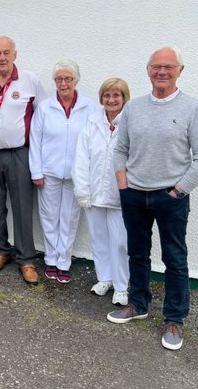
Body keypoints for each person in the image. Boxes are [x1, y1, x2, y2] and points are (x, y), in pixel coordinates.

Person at [107, 47, 198, 351]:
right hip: (134, 193)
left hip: (170, 196)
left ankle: (173, 319)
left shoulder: (191, 108)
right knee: (137, 253)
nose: (162, 72)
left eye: (168, 67)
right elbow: (120, 149)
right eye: (156, 66)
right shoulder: (134, 108)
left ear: (180, 71)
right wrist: (124, 185)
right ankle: (138, 304)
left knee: (174, 259)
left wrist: (180, 190)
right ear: (148, 70)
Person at [0, 36, 46, 284]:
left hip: (20, 153)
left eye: (7, 52)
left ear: (15, 54)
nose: (2, 57)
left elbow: (42, 116)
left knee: (22, 207)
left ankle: (26, 259)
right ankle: (0, 251)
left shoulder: (30, 80)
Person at [29, 60, 97, 284]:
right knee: (49, 218)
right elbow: (35, 140)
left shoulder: (89, 108)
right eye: (59, 79)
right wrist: (36, 172)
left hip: (76, 175)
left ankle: (64, 262)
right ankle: (50, 259)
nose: (63, 83)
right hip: (49, 172)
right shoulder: (45, 107)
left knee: (69, 219)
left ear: (76, 80)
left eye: (68, 78)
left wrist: (88, 174)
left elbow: (94, 143)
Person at [72, 78, 131, 305]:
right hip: (94, 194)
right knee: (99, 239)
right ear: (101, 99)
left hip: (120, 196)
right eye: (107, 95)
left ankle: (121, 286)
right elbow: (81, 159)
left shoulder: (130, 123)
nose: (111, 99)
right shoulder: (92, 123)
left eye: (116, 95)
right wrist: (83, 191)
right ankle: (104, 278)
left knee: (120, 242)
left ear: (124, 98)